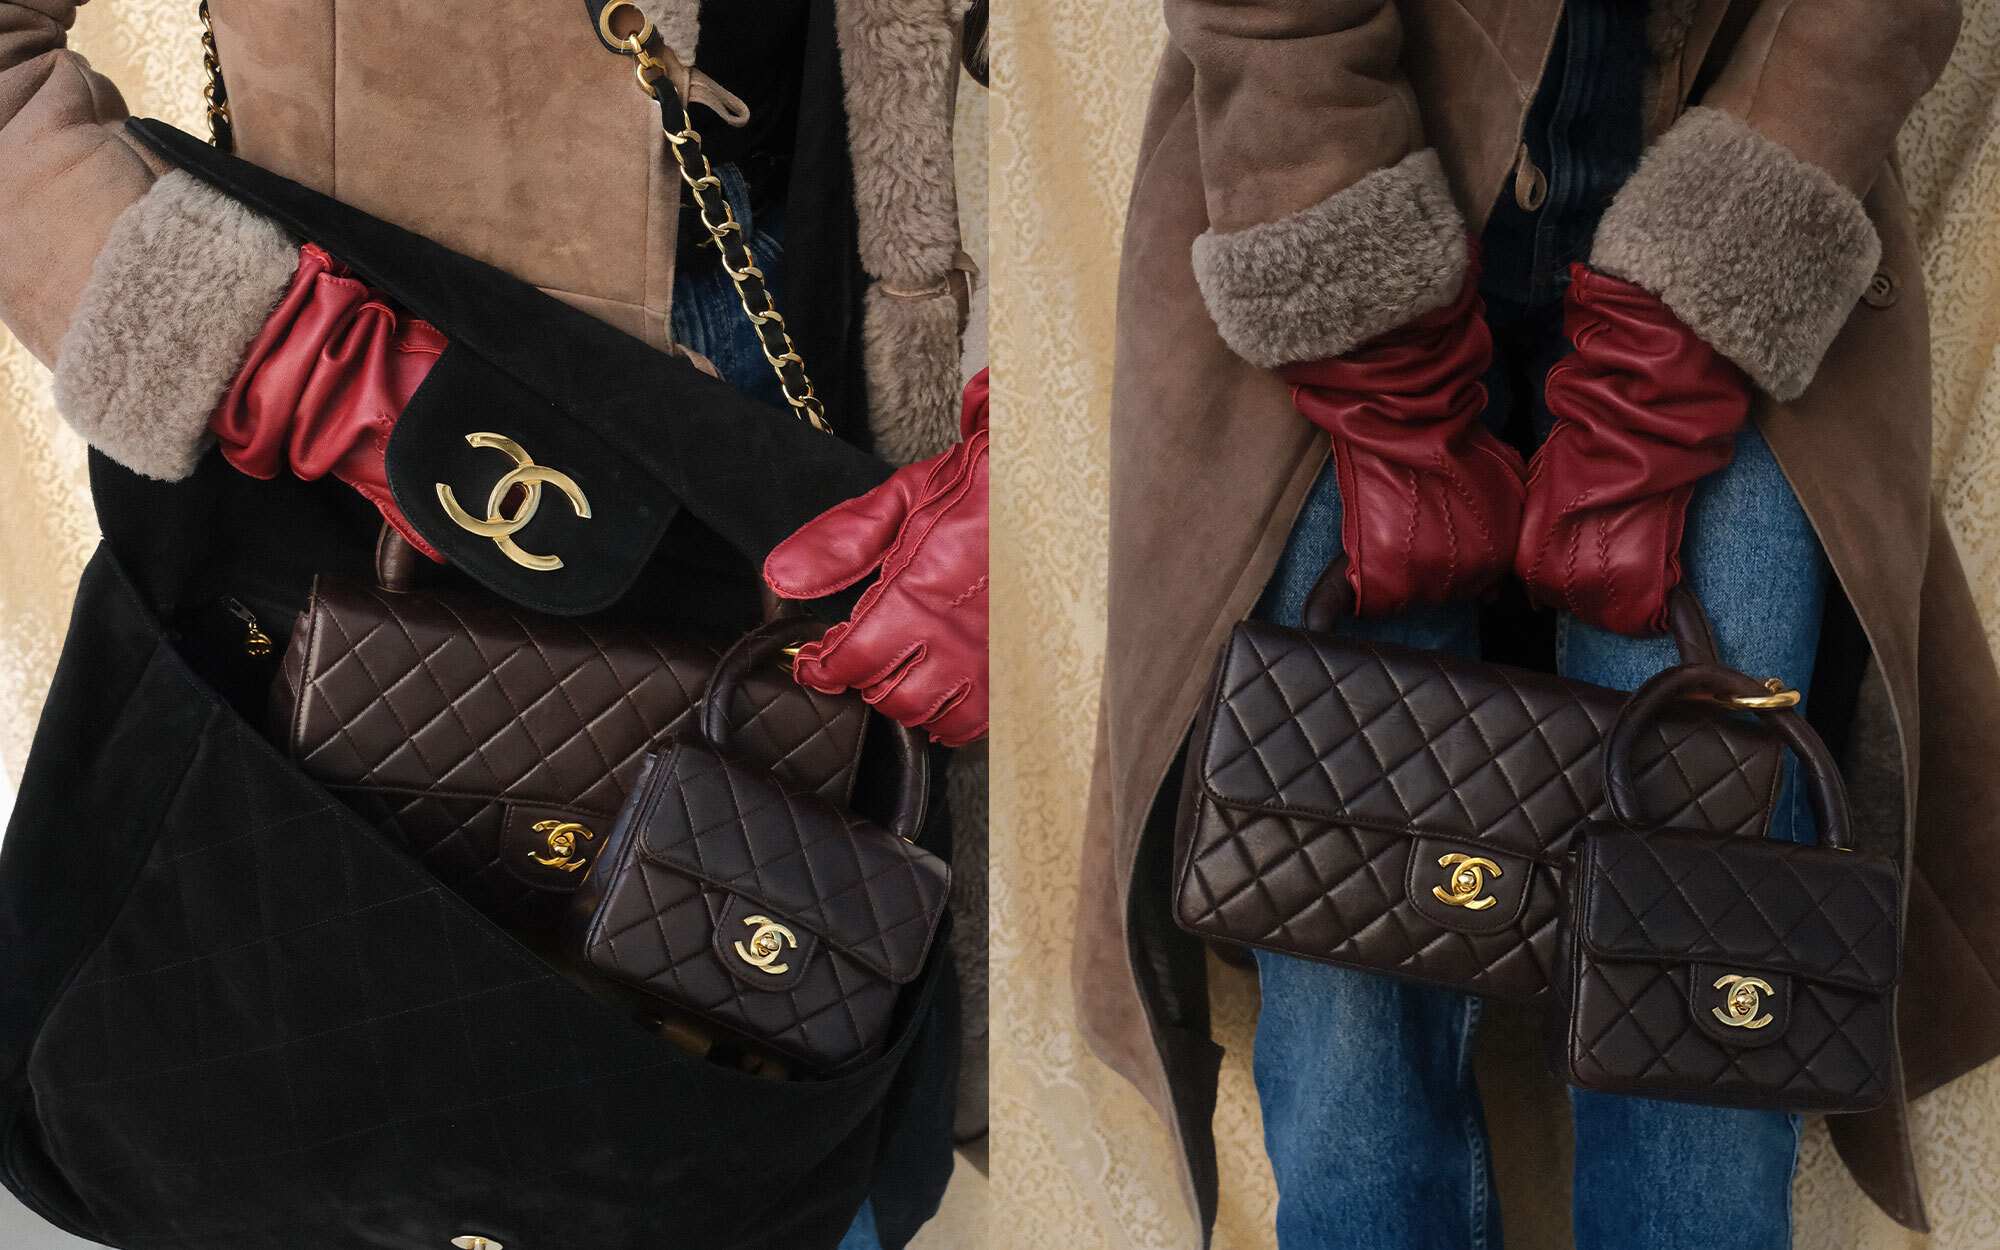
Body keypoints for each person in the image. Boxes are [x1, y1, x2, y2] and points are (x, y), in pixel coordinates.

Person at [0, 2, 984, 1247]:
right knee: (354, 1094)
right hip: (390, 399)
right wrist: (271, 355)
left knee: (761, 1145)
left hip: (845, 388)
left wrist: (1015, 445)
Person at [1075, 0, 2000, 1245]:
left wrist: (1684, 335)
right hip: (1329, 196)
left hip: (1749, 201)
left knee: (1704, 1048)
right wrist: (1377, 355)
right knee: (1346, 1052)